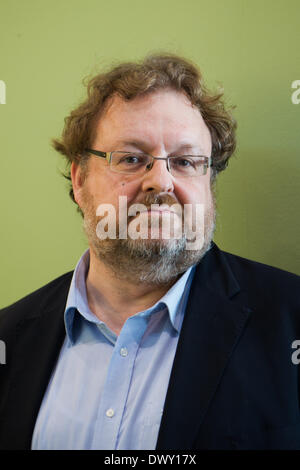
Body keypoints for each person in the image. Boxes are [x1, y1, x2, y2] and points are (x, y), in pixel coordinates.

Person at [0, 54, 299, 451]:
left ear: (208, 181)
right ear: (79, 178)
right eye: (130, 158)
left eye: (186, 161)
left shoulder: (291, 321)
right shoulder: (10, 338)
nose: (161, 181)